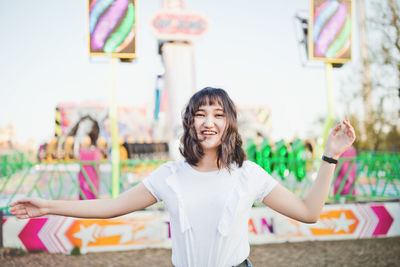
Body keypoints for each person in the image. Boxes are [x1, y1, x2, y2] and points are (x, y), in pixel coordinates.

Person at [9, 87, 356, 267]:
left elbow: (310, 212)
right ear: (190, 122)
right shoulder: (169, 176)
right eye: (200, 114)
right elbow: (111, 207)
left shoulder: (247, 174)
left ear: (229, 123)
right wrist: (48, 206)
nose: (209, 122)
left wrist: (331, 155)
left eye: (218, 115)